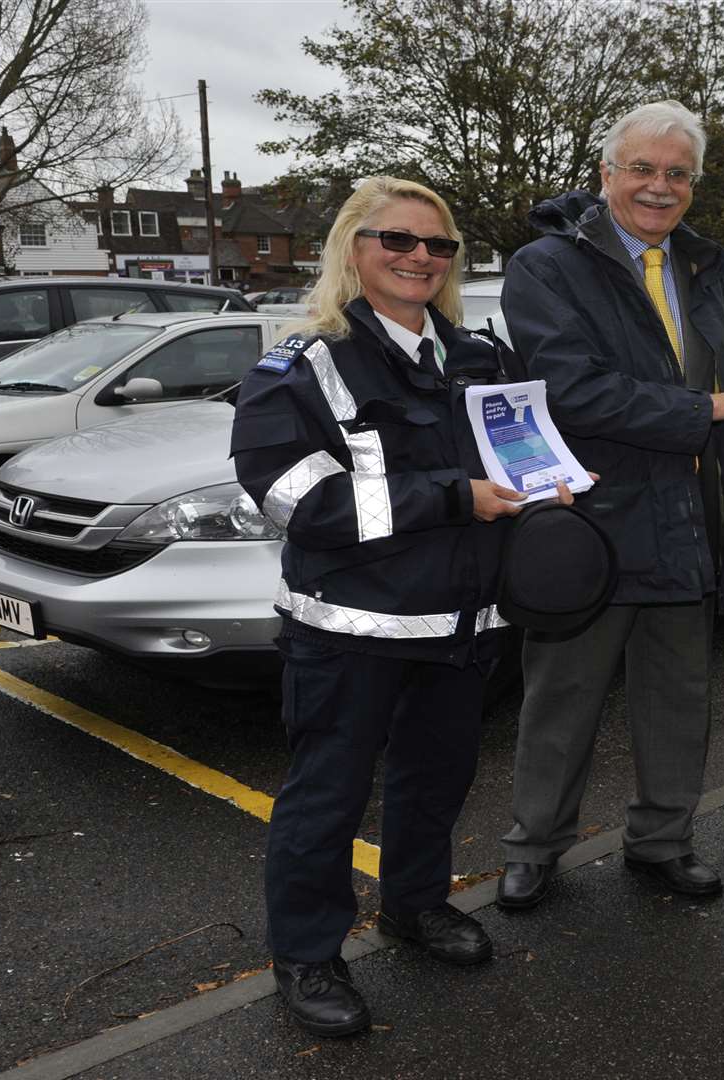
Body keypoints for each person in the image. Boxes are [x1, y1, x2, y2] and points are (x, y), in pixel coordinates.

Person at [231, 176, 561, 1037]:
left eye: (438, 245)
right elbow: (300, 506)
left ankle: (414, 908)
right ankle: (306, 955)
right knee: (325, 802)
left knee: (434, 785)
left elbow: (523, 465)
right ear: (354, 248)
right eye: (397, 241)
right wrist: (454, 497)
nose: (419, 257)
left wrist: (548, 492)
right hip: (350, 635)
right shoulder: (301, 368)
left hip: (464, 628)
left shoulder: (481, 358)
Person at [494, 100, 724, 909]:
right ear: (607, 174)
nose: (658, 186)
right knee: (561, 700)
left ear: (693, 186)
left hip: (690, 523)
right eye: (641, 168)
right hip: (589, 526)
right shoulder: (545, 266)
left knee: (679, 701)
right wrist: (720, 408)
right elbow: (574, 393)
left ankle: (662, 842)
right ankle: (535, 849)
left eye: (677, 174)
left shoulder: (706, 268)